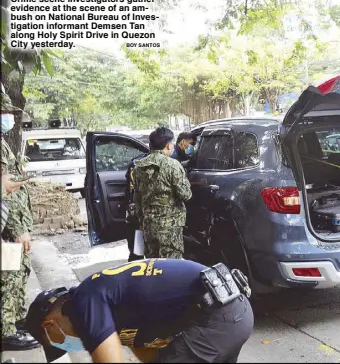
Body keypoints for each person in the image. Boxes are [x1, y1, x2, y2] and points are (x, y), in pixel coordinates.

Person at [24, 259, 254, 363]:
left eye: (53, 343)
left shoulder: (84, 301)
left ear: (50, 325)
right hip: (231, 314)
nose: (63, 346)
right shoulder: (108, 311)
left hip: (218, 315)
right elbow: (144, 349)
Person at [1, 92, 40, 350]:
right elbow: (4, 187)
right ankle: (6, 329)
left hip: (13, 225)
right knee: (10, 274)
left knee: (17, 271)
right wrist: (18, 229)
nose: (10, 118)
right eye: (5, 113)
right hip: (9, 226)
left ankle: (15, 318)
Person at [134, 127, 192, 259]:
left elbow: (137, 198)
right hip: (170, 229)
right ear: (168, 145)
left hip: (149, 226)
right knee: (171, 270)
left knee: (153, 267)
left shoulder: (139, 166)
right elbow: (186, 195)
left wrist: (141, 221)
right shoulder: (173, 165)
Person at [124, 150, 150, 262]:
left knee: (136, 250)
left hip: (133, 209)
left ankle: (135, 271)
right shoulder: (164, 164)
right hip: (149, 212)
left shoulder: (135, 162)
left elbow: (128, 187)